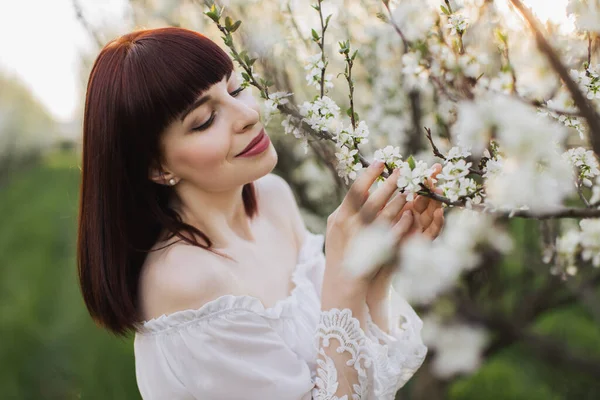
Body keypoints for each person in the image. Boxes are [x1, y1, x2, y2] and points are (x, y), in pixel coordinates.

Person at [77, 27, 445, 399]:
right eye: (205, 120)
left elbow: (367, 378)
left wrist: (375, 272)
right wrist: (343, 273)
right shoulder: (188, 281)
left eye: (236, 89)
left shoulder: (273, 199)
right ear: (157, 168)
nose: (249, 114)